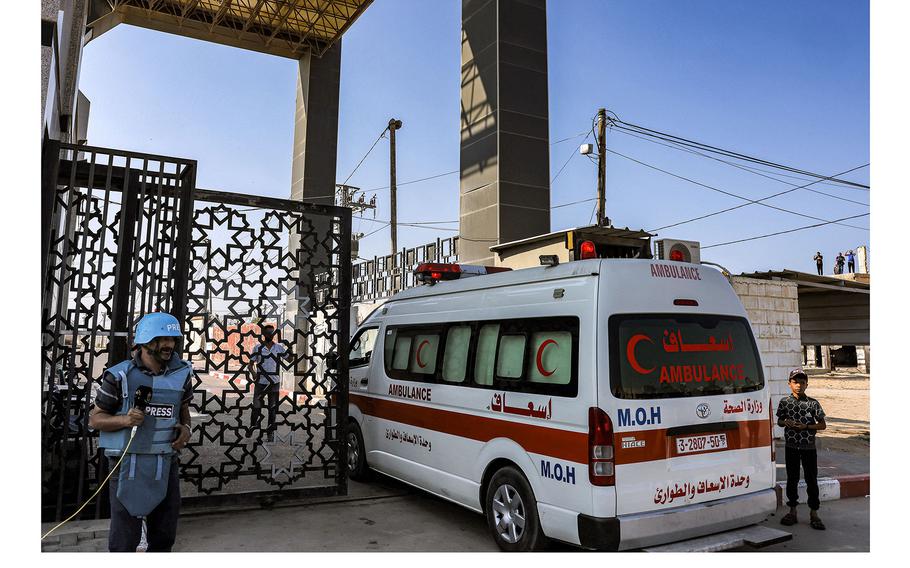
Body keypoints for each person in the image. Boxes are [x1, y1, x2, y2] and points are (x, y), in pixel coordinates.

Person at [89, 312, 193, 552]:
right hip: (126, 464)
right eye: (162, 339)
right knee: (125, 540)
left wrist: (186, 429)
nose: (170, 345)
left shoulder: (182, 374)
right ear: (145, 341)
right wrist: (125, 419)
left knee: (164, 536)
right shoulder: (119, 376)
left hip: (166, 462)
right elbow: (95, 419)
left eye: (173, 339)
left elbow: (184, 409)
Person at [776, 369, 827, 531]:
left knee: (812, 479)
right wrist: (786, 423)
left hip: (808, 448)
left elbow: (822, 425)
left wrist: (806, 426)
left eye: (802, 382)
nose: (799, 385)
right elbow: (779, 421)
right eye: (795, 382)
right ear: (789, 383)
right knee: (793, 479)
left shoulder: (813, 403)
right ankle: (792, 511)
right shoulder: (785, 402)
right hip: (791, 446)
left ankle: (814, 513)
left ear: (807, 384)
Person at [250, 324, 288, 440]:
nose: (270, 335)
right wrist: (254, 373)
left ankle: (270, 432)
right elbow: (250, 365)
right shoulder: (258, 348)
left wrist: (290, 347)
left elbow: (289, 359)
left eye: (272, 333)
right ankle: (252, 426)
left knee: (272, 409)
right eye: (268, 333)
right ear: (264, 334)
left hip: (274, 382)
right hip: (261, 382)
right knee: (256, 406)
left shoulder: (279, 348)